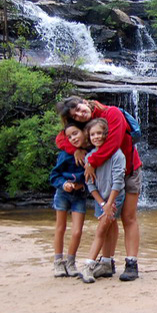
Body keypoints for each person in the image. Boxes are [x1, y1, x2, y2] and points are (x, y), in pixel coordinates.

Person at [55, 96, 142, 281]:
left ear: (84, 101)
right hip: (104, 176)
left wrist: (91, 162)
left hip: (129, 169)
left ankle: (131, 263)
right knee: (109, 219)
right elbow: (61, 139)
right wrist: (75, 150)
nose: (79, 114)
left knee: (128, 216)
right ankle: (106, 263)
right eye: (75, 116)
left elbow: (114, 143)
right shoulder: (86, 125)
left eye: (78, 108)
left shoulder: (112, 113)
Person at [77, 118, 126, 284]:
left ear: (106, 134)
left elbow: (118, 181)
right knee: (107, 229)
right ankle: (105, 263)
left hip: (115, 197)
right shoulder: (90, 157)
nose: (96, 136)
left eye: (99, 133)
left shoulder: (117, 155)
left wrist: (110, 203)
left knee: (101, 230)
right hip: (101, 200)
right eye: (92, 134)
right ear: (88, 137)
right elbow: (90, 184)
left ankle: (89, 265)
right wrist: (102, 204)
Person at [49, 122, 88, 278]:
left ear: (84, 132)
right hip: (62, 193)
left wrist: (82, 185)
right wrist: (64, 184)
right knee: (60, 227)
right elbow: (54, 176)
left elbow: (94, 175)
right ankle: (58, 262)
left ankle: (71, 262)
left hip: (80, 195)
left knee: (77, 231)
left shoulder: (89, 153)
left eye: (75, 134)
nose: (73, 138)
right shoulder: (65, 155)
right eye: (69, 136)